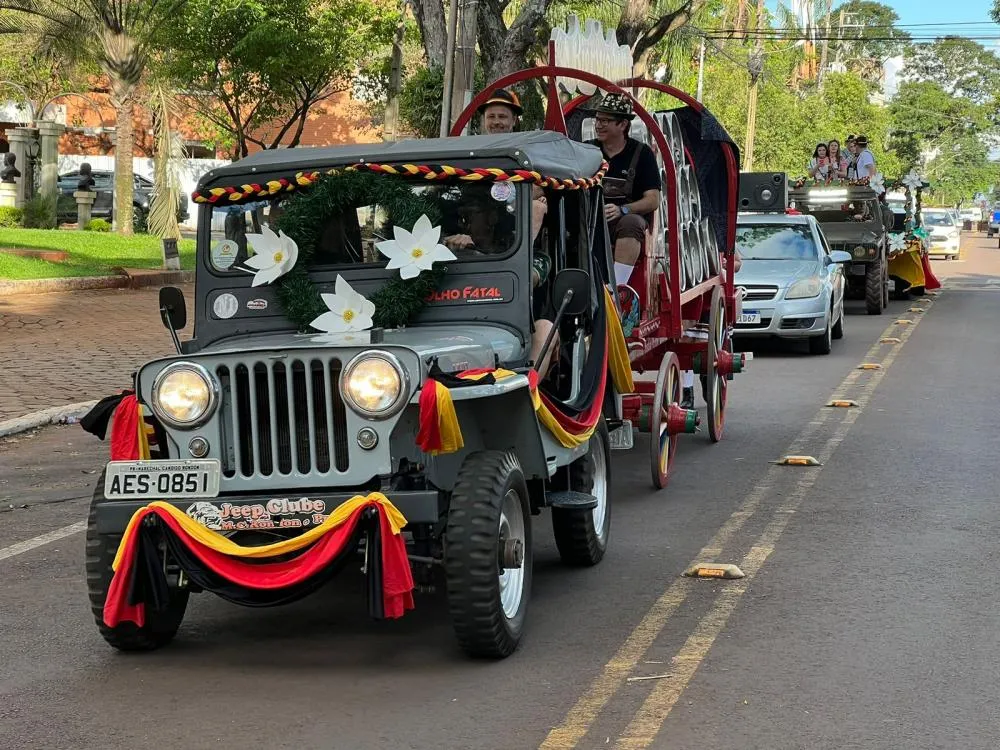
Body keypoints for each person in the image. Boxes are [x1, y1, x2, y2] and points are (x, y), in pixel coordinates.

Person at [584, 92, 662, 289]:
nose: (598, 125)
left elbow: (653, 199)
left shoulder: (642, 154)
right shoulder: (586, 150)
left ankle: (616, 290)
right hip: (588, 217)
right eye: (597, 119)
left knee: (633, 223)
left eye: (605, 120)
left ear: (623, 125)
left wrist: (623, 209)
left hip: (620, 221)